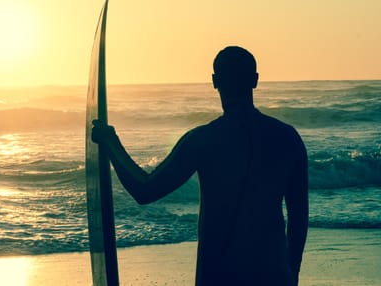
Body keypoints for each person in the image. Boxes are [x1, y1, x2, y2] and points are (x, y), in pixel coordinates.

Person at [92, 46, 308, 285]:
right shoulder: (288, 138)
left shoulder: (203, 140)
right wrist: (292, 273)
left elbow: (145, 190)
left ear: (215, 82)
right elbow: (299, 215)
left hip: (220, 274)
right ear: (255, 80)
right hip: (274, 274)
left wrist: (111, 142)